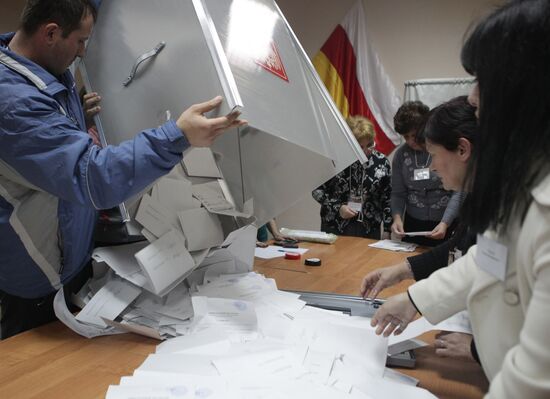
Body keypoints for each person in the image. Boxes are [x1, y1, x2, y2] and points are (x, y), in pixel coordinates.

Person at [0, 0, 245, 338]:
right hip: (34, 283)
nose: (84, 52)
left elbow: (45, 150)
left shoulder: (43, 66)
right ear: (51, 33)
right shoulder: (13, 102)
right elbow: (92, 177)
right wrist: (178, 135)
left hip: (70, 259)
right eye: (81, 41)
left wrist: (72, 124)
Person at [371, 1, 550, 397]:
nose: (472, 97)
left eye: (483, 79)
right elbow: (485, 260)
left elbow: (533, 383)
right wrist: (413, 301)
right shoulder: (523, 186)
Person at [362, 96, 479, 360]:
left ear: (462, 150)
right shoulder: (485, 194)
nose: (433, 166)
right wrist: (404, 271)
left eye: (434, 155)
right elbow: (468, 252)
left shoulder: (511, 199)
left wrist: (477, 349)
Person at [391, 101, 464, 246]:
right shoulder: (401, 155)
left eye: (415, 134)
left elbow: (459, 190)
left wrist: (445, 222)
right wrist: (397, 218)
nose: (411, 141)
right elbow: (398, 193)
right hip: (414, 225)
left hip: (446, 222)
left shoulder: (444, 149)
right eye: (406, 137)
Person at [312, 116, 391, 239]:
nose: (365, 151)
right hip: (335, 226)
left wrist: (387, 229)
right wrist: (338, 208)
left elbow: (388, 196)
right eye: (360, 146)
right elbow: (316, 190)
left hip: (369, 229)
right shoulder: (333, 159)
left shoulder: (381, 161)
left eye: (369, 145)